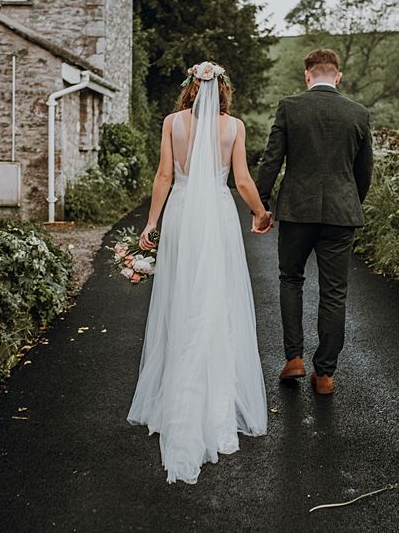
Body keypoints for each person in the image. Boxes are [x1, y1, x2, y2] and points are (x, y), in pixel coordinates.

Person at [127, 61, 270, 485]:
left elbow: (165, 176)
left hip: (184, 213)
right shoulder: (235, 128)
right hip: (219, 216)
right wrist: (261, 211)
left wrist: (152, 224)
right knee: (217, 298)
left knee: (182, 298)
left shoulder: (172, 123)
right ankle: (214, 405)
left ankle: (176, 401)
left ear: (191, 88)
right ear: (222, 91)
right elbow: (241, 179)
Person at [256, 49, 373, 395]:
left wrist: (261, 204)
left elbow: (272, 159)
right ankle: (324, 375)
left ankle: (294, 359)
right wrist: (351, 202)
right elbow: (364, 171)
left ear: (307, 75)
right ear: (338, 76)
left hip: (296, 211)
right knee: (334, 292)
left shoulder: (290, 107)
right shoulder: (358, 113)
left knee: (290, 279)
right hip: (341, 214)